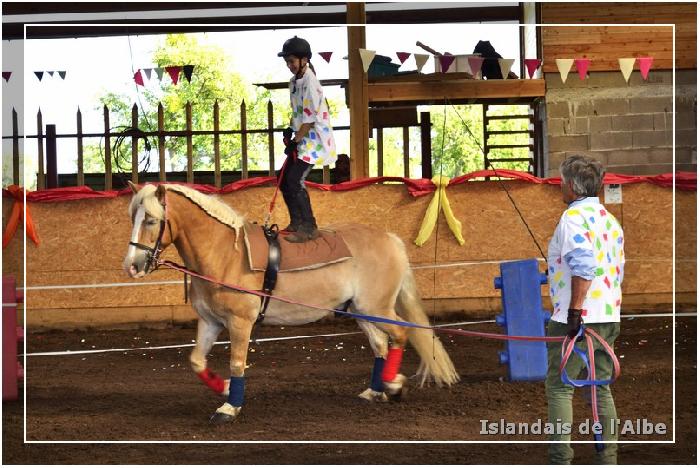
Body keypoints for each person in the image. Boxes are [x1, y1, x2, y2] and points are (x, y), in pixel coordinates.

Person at [545, 154, 625, 464]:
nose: (561, 187)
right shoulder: (610, 220)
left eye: (562, 182)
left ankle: (560, 459)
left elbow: (584, 266)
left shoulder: (572, 218)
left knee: (560, 388)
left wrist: (574, 313)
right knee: (600, 388)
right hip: (608, 317)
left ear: (571, 187)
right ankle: (609, 458)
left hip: (577, 319)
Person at [277, 36, 337, 243]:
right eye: (287, 62)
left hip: (314, 140)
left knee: (295, 180)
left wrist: (295, 140)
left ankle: (309, 227)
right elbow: (299, 112)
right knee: (283, 178)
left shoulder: (311, 82)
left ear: (304, 60)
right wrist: (290, 131)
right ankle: (296, 222)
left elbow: (310, 119)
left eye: (292, 61)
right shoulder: (294, 82)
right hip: (303, 137)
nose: (289, 66)